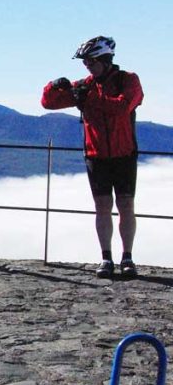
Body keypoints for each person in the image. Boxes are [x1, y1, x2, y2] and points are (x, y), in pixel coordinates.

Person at [41, 35, 144, 278]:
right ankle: (106, 258)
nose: (87, 65)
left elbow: (122, 107)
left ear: (105, 59)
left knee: (126, 205)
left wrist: (90, 98)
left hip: (124, 153)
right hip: (96, 155)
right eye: (85, 62)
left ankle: (127, 257)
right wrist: (54, 86)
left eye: (91, 61)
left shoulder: (128, 80)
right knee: (102, 207)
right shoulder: (85, 86)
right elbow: (48, 103)